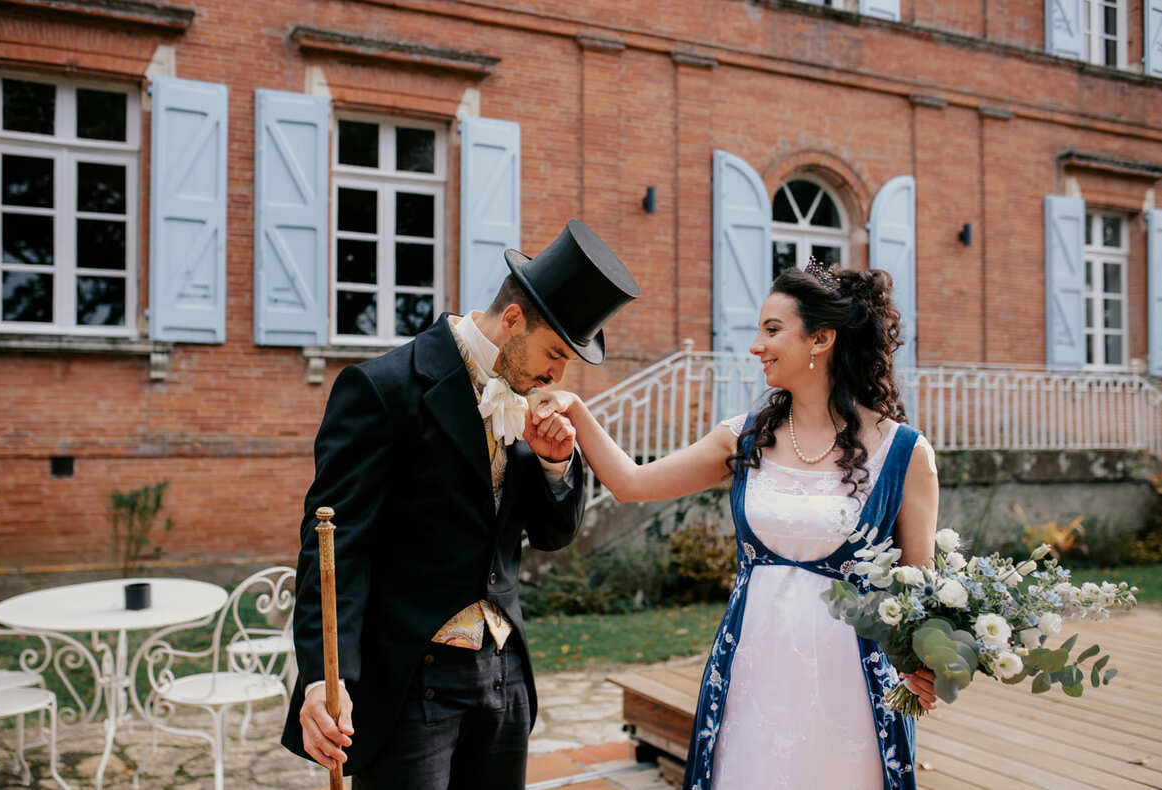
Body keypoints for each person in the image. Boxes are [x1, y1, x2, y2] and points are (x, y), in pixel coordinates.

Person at [528, 262, 939, 790]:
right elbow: (631, 482)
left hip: (852, 690)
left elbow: (917, 595)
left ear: (822, 339)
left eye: (772, 330)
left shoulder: (905, 453)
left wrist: (928, 666)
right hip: (751, 675)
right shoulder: (742, 440)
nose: (755, 346)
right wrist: (579, 414)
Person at [281, 219, 639, 789]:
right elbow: (333, 544)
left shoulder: (529, 396)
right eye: (553, 353)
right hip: (410, 684)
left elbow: (550, 537)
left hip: (504, 678)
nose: (557, 374)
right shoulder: (383, 389)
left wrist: (554, 466)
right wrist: (325, 677)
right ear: (513, 319)